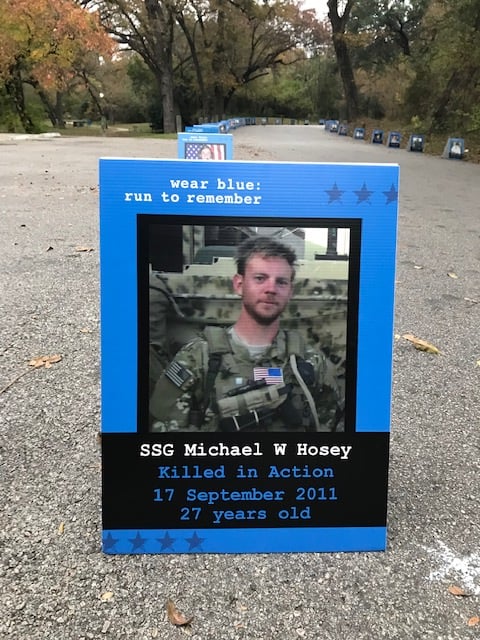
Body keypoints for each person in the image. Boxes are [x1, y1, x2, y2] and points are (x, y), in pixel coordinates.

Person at [149, 236, 343, 433]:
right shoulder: (197, 359)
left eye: (281, 282)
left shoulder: (311, 363)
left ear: (290, 291)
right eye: (260, 278)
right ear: (239, 284)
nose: (271, 289)